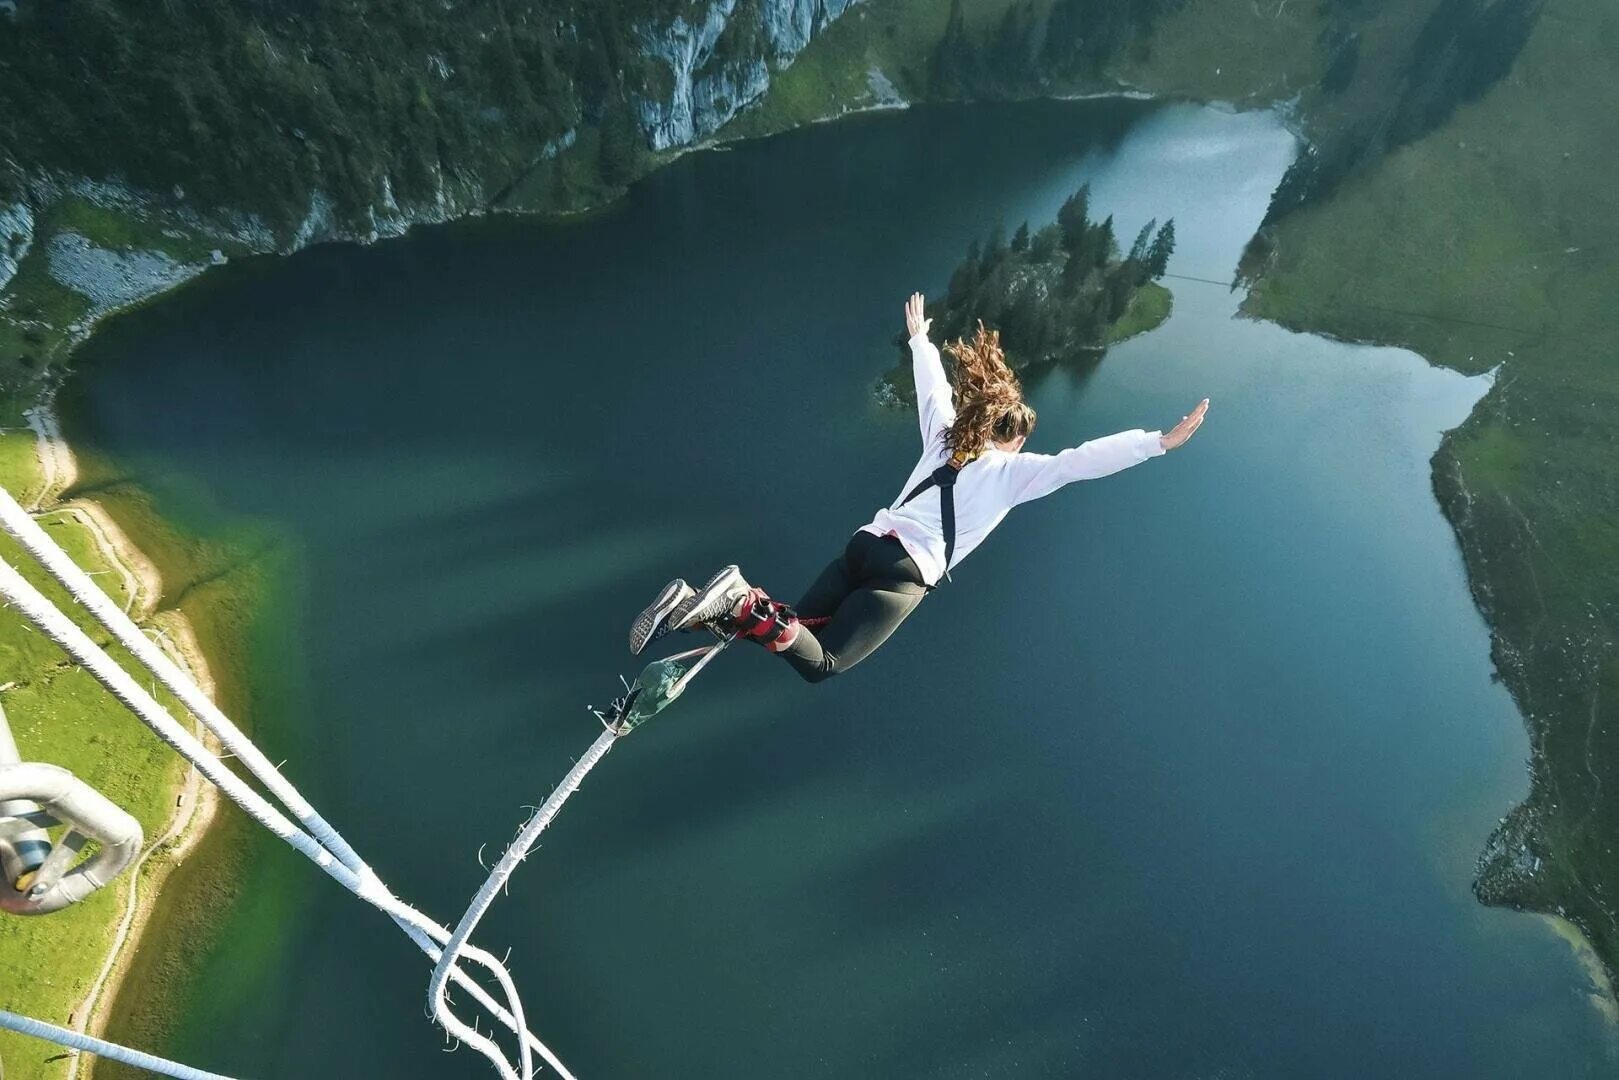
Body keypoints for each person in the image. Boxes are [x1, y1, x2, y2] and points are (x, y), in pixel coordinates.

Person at [629, 292, 1208, 682]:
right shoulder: (1013, 475)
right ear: (1011, 438)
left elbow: (933, 389)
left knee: (793, 629)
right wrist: (1156, 442)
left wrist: (919, 339)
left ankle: (709, 610)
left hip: (864, 543)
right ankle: (741, 601)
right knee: (822, 662)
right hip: (902, 574)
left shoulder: (944, 439)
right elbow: (1081, 462)